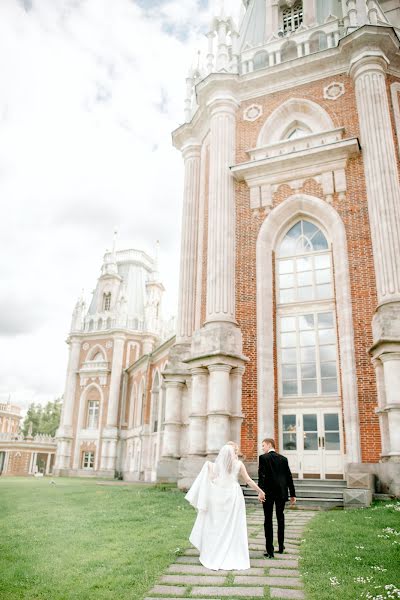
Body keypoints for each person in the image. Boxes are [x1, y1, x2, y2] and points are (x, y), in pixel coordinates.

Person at [185, 442, 265, 571]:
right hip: (233, 497)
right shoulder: (239, 465)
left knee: (217, 525)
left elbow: (212, 479)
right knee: (234, 525)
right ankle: (233, 552)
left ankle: (213, 553)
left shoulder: (216, 466)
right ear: (233, 453)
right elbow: (248, 480)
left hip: (218, 497)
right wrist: (260, 491)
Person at [258, 438, 296, 558]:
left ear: (269, 445)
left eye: (263, 445)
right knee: (280, 518)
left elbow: (262, 476)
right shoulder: (283, 459)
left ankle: (270, 551)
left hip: (268, 493)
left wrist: (260, 491)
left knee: (268, 520)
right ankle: (281, 546)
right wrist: (292, 494)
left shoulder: (263, 458)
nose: (262, 448)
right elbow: (289, 477)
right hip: (282, 493)